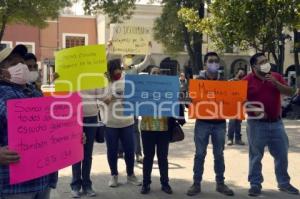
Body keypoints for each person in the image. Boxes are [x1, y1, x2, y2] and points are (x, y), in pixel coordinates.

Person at [0, 47, 58, 199]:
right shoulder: (1, 96)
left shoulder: (37, 94)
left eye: (21, 62)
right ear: (1, 72)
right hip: (15, 188)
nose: (21, 67)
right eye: (13, 64)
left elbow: (52, 129)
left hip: (43, 180)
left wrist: (74, 137)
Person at [244, 53, 299, 197]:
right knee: (255, 156)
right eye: (262, 62)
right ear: (254, 66)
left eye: (266, 61)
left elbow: (290, 92)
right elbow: (239, 100)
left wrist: (276, 82)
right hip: (256, 124)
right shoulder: (247, 80)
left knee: (282, 154)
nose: (266, 64)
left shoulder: (276, 76)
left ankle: (284, 183)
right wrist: (254, 110)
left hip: (277, 123)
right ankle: (255, 184)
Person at [187, 52, 234, 197]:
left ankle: (220, 184)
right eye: (210, 61)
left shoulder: (225, 83)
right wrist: (191, 101)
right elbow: (190, 102)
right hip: (202, 123)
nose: (213, 63)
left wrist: (237, 102)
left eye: (215, 61)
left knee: (219, 154)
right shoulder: (198, 82)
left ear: (219, 64)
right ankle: (196, 184)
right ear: (205, 64)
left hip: (219, 123)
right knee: (200, 154)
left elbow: (231, 102)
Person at [140, 66, 183, 195]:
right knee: (148, 157)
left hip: (164, 128)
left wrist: (178, 97)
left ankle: (165, 183)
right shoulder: (143, 90)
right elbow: (135, 105)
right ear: (149, 75)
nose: (156, 75)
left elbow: (176, 105)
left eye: (159, 73)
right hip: (147, 128)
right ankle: (145, 183)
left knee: (163, 157)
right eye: (154, 73)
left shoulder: (167, 90)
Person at [101, 59, 141, 188]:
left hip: (127, 121)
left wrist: (128, 98)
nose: (118, 72)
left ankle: (131, 175)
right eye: (114, 70)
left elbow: (135, 96)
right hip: (110, 123)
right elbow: (100, 102)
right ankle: (114, 176)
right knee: (112, 151)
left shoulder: (127, 79)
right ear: (109, 71)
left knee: (130, 150)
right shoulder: (104, 82)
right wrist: (109, 98)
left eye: (119, 68)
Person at [70, 89, 105, 198]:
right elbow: (63, 93)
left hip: (91, 116)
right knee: (76, 154)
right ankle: (75, 186)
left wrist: (102, 81)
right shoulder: (71, 75)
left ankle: (87, 185)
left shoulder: (93, 76)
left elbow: (102, 96)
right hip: (74, 116)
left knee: (87, 154)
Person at [227, 68, 246, 146]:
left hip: (240, 105)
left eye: (243, 73)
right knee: (232, 122)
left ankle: (238, 139)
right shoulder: (230, 81)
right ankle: (230, 138)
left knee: (238, 123)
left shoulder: (244, 82)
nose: (241, 74)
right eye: (240, 72)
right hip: (232, 105)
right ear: (236, 73)